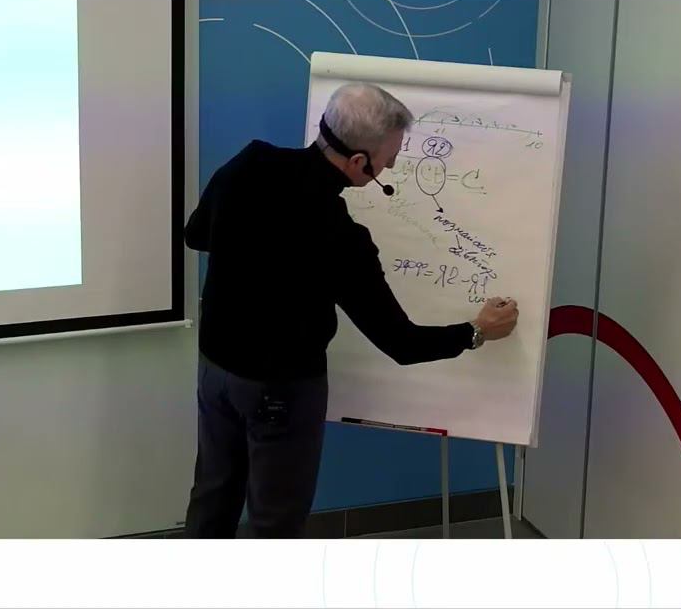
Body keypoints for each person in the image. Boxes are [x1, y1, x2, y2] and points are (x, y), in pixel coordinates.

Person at [182, 83, 519, 538]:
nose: (392, 166)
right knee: (275, 521)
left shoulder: (250, 161)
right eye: (390, 157)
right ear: (359, 163)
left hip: (216, 369)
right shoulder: (340, 236)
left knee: (212, 495)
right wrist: (476, 331)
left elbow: (196, 235)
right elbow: (402, 344)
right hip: (281, 390)